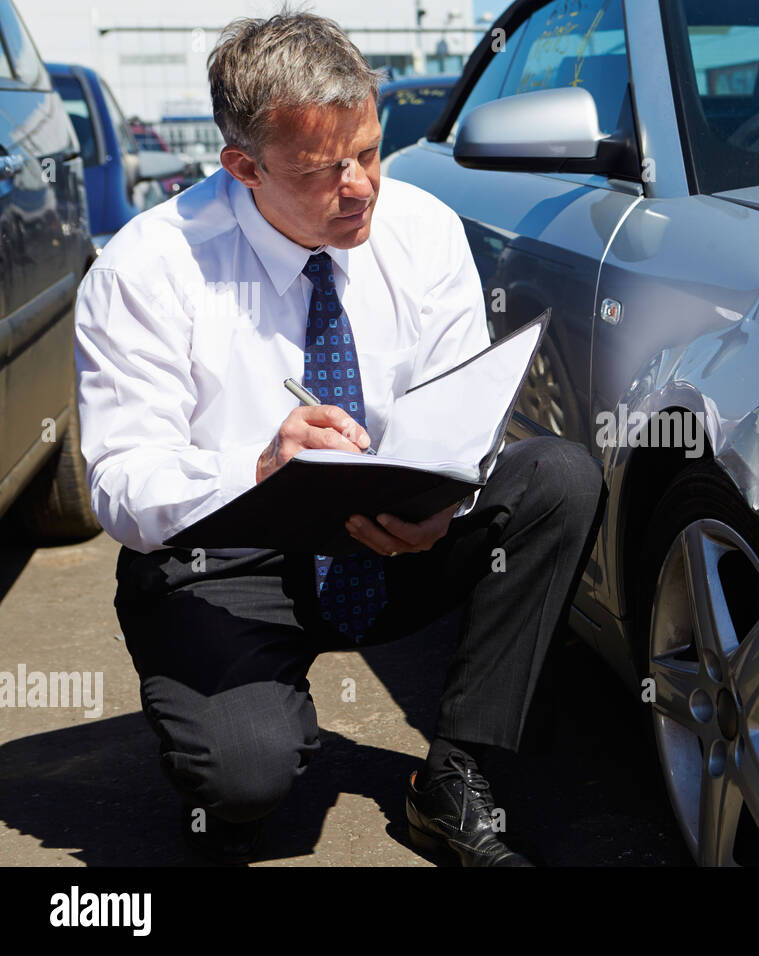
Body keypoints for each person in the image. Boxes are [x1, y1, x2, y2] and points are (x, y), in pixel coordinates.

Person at [73, 10, 605, 866]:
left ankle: (457, 779)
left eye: (368, 151)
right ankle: (234, 747)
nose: (359, 186)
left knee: (559, 478)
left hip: (391, 539)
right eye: (324, 170)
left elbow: (461, 407)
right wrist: (255, 466)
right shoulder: (147, 267)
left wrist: (451, 498)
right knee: (246, 779)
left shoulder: (422, 228)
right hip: (229, 559)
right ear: (244, 167)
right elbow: (122, 483)